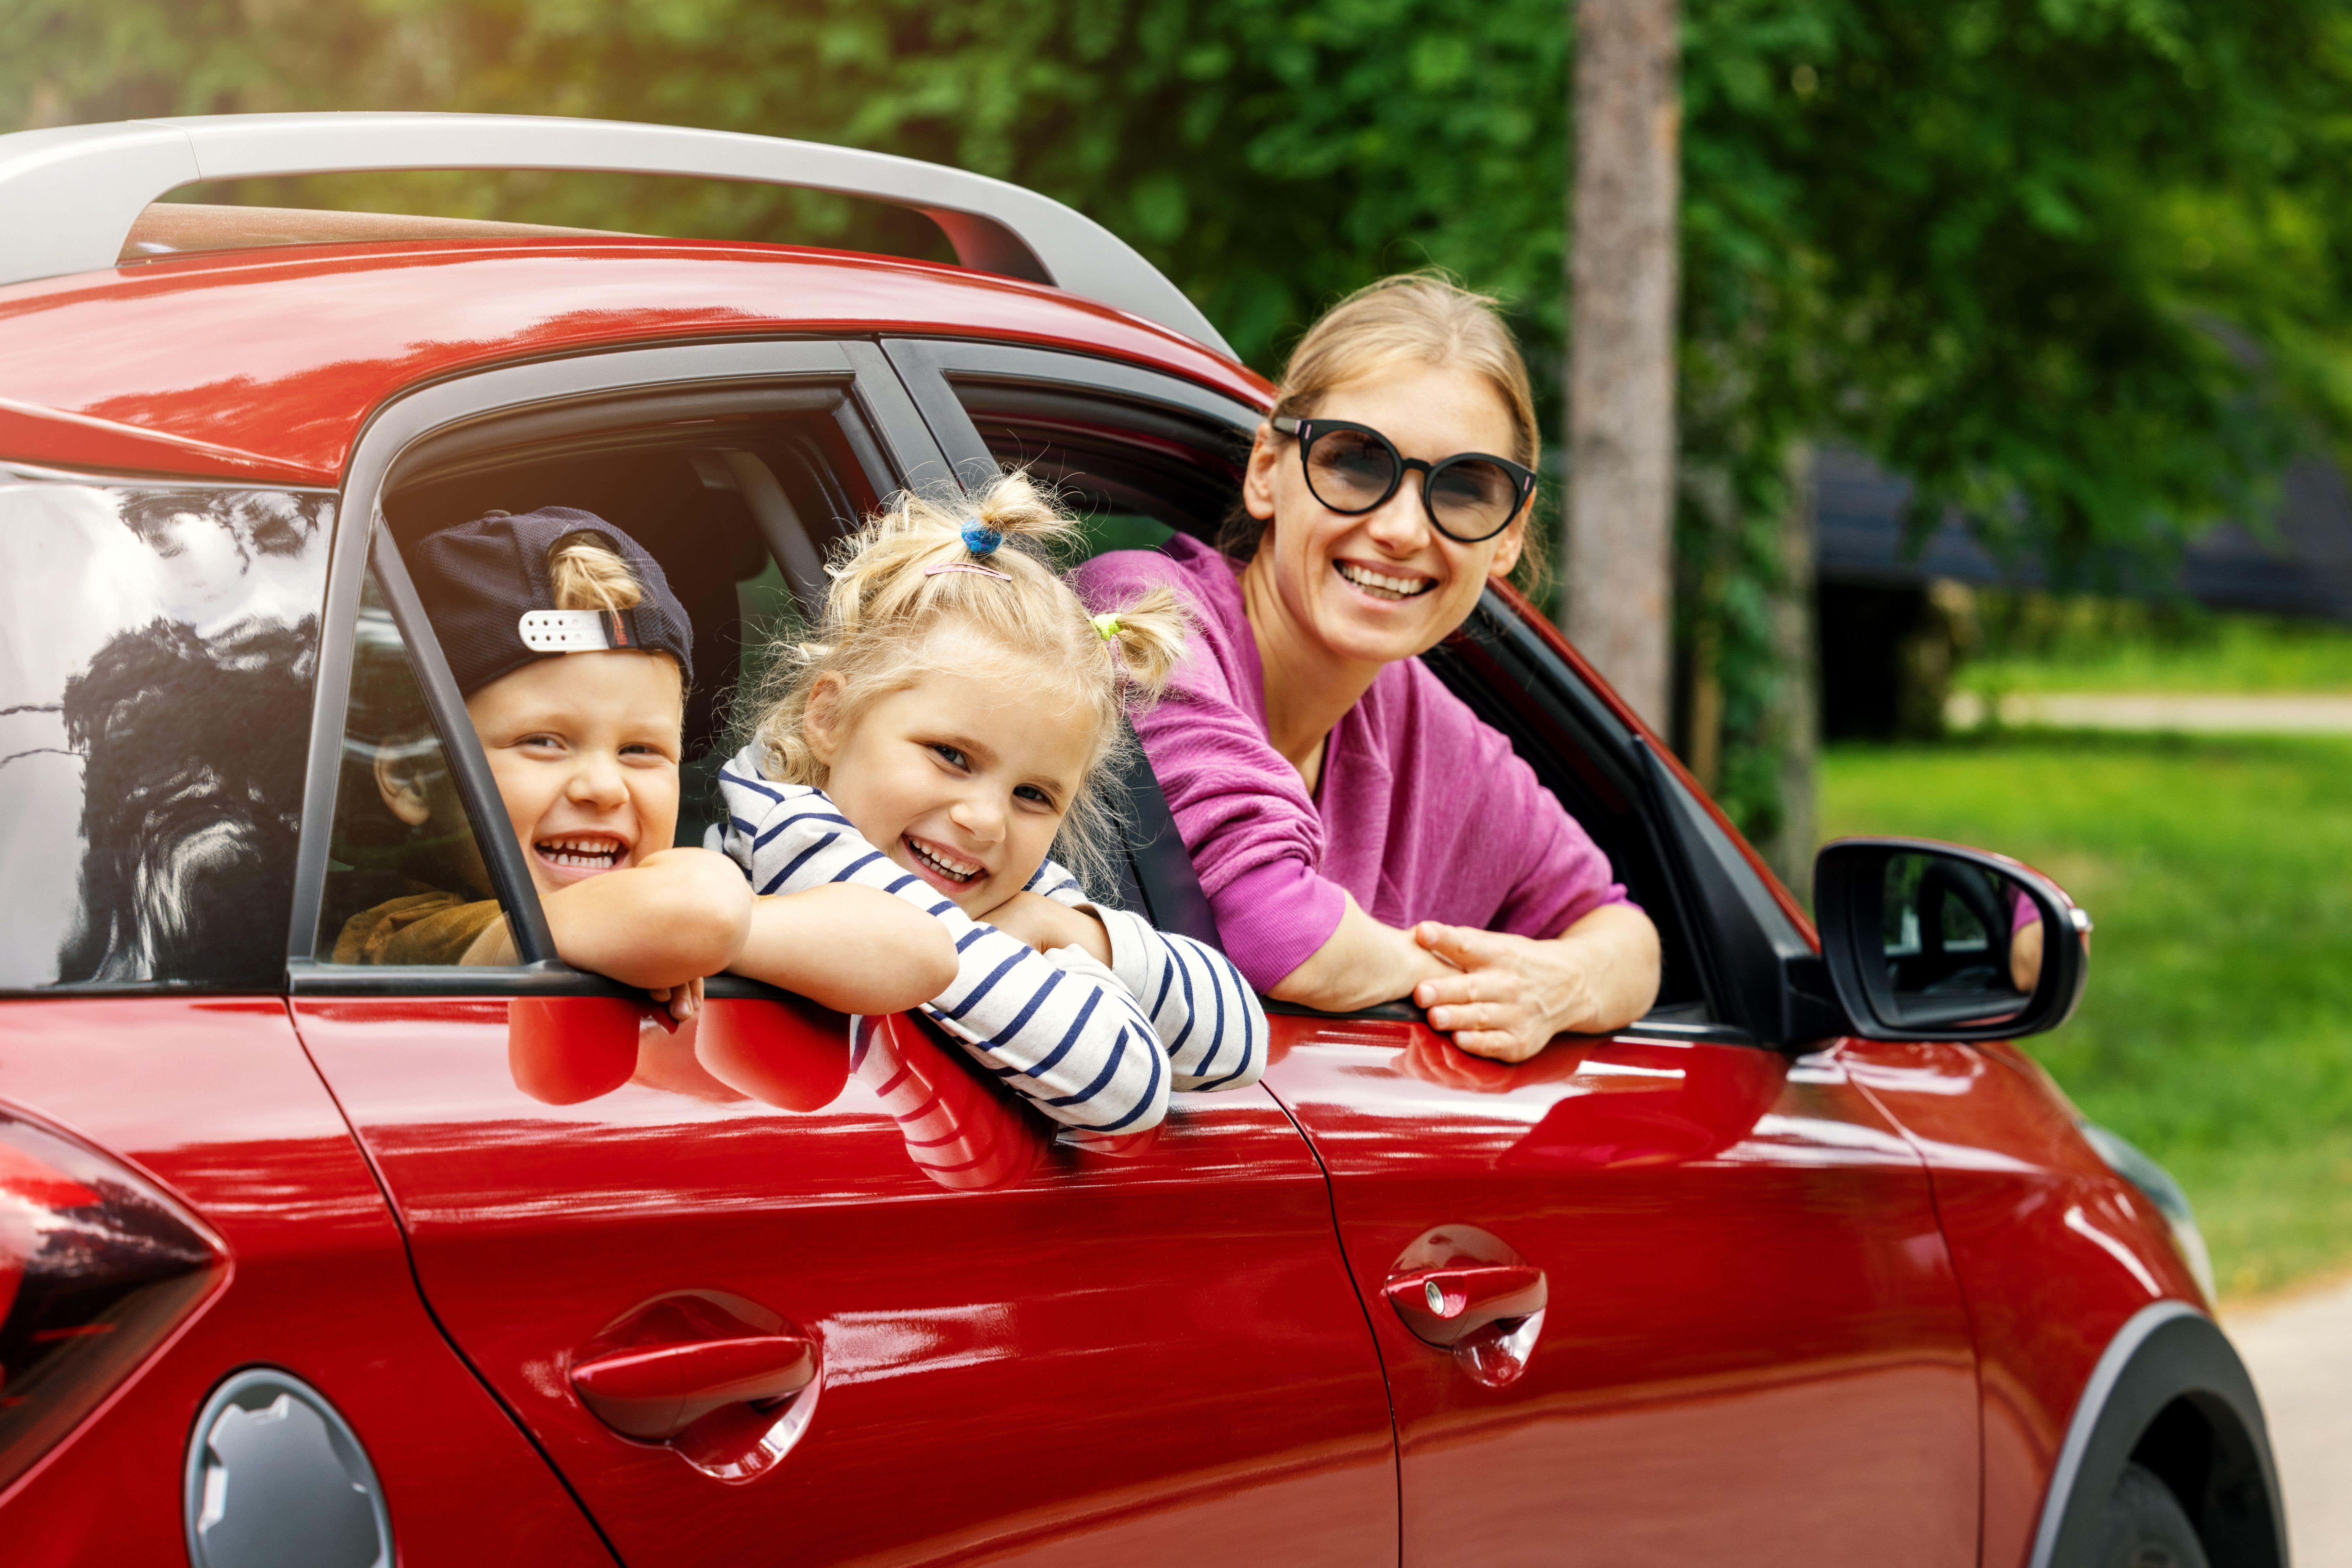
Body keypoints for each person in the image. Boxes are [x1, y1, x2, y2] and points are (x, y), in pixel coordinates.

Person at [1075, 274, 1663, 1064]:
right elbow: (1275, 931)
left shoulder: (1437, 736)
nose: (1400, 528)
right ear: (1266, 472)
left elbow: (1624, 936)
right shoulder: (1144, 618)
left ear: (1511, 536)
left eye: (1463, 489)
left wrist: (1559, 985)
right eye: (1356, 463)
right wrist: (1457, 980)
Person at [717, 472, 1266, 1134]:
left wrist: (1062, 927)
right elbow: (1123, 1083)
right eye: (952, 756)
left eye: (1033, 795)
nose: (984, 819)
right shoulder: (794, 841)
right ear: (830, 716)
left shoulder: (1005, 885)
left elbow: (1240, 1040)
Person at [337, 506, 954, 1022]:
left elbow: (925, 952)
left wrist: (701, 937)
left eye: (641, 751)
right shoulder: (400, 936)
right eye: (544, 742)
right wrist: (694, 928)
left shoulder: (685, 908)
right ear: (411, 777)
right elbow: (697, 910)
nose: (604, 788)